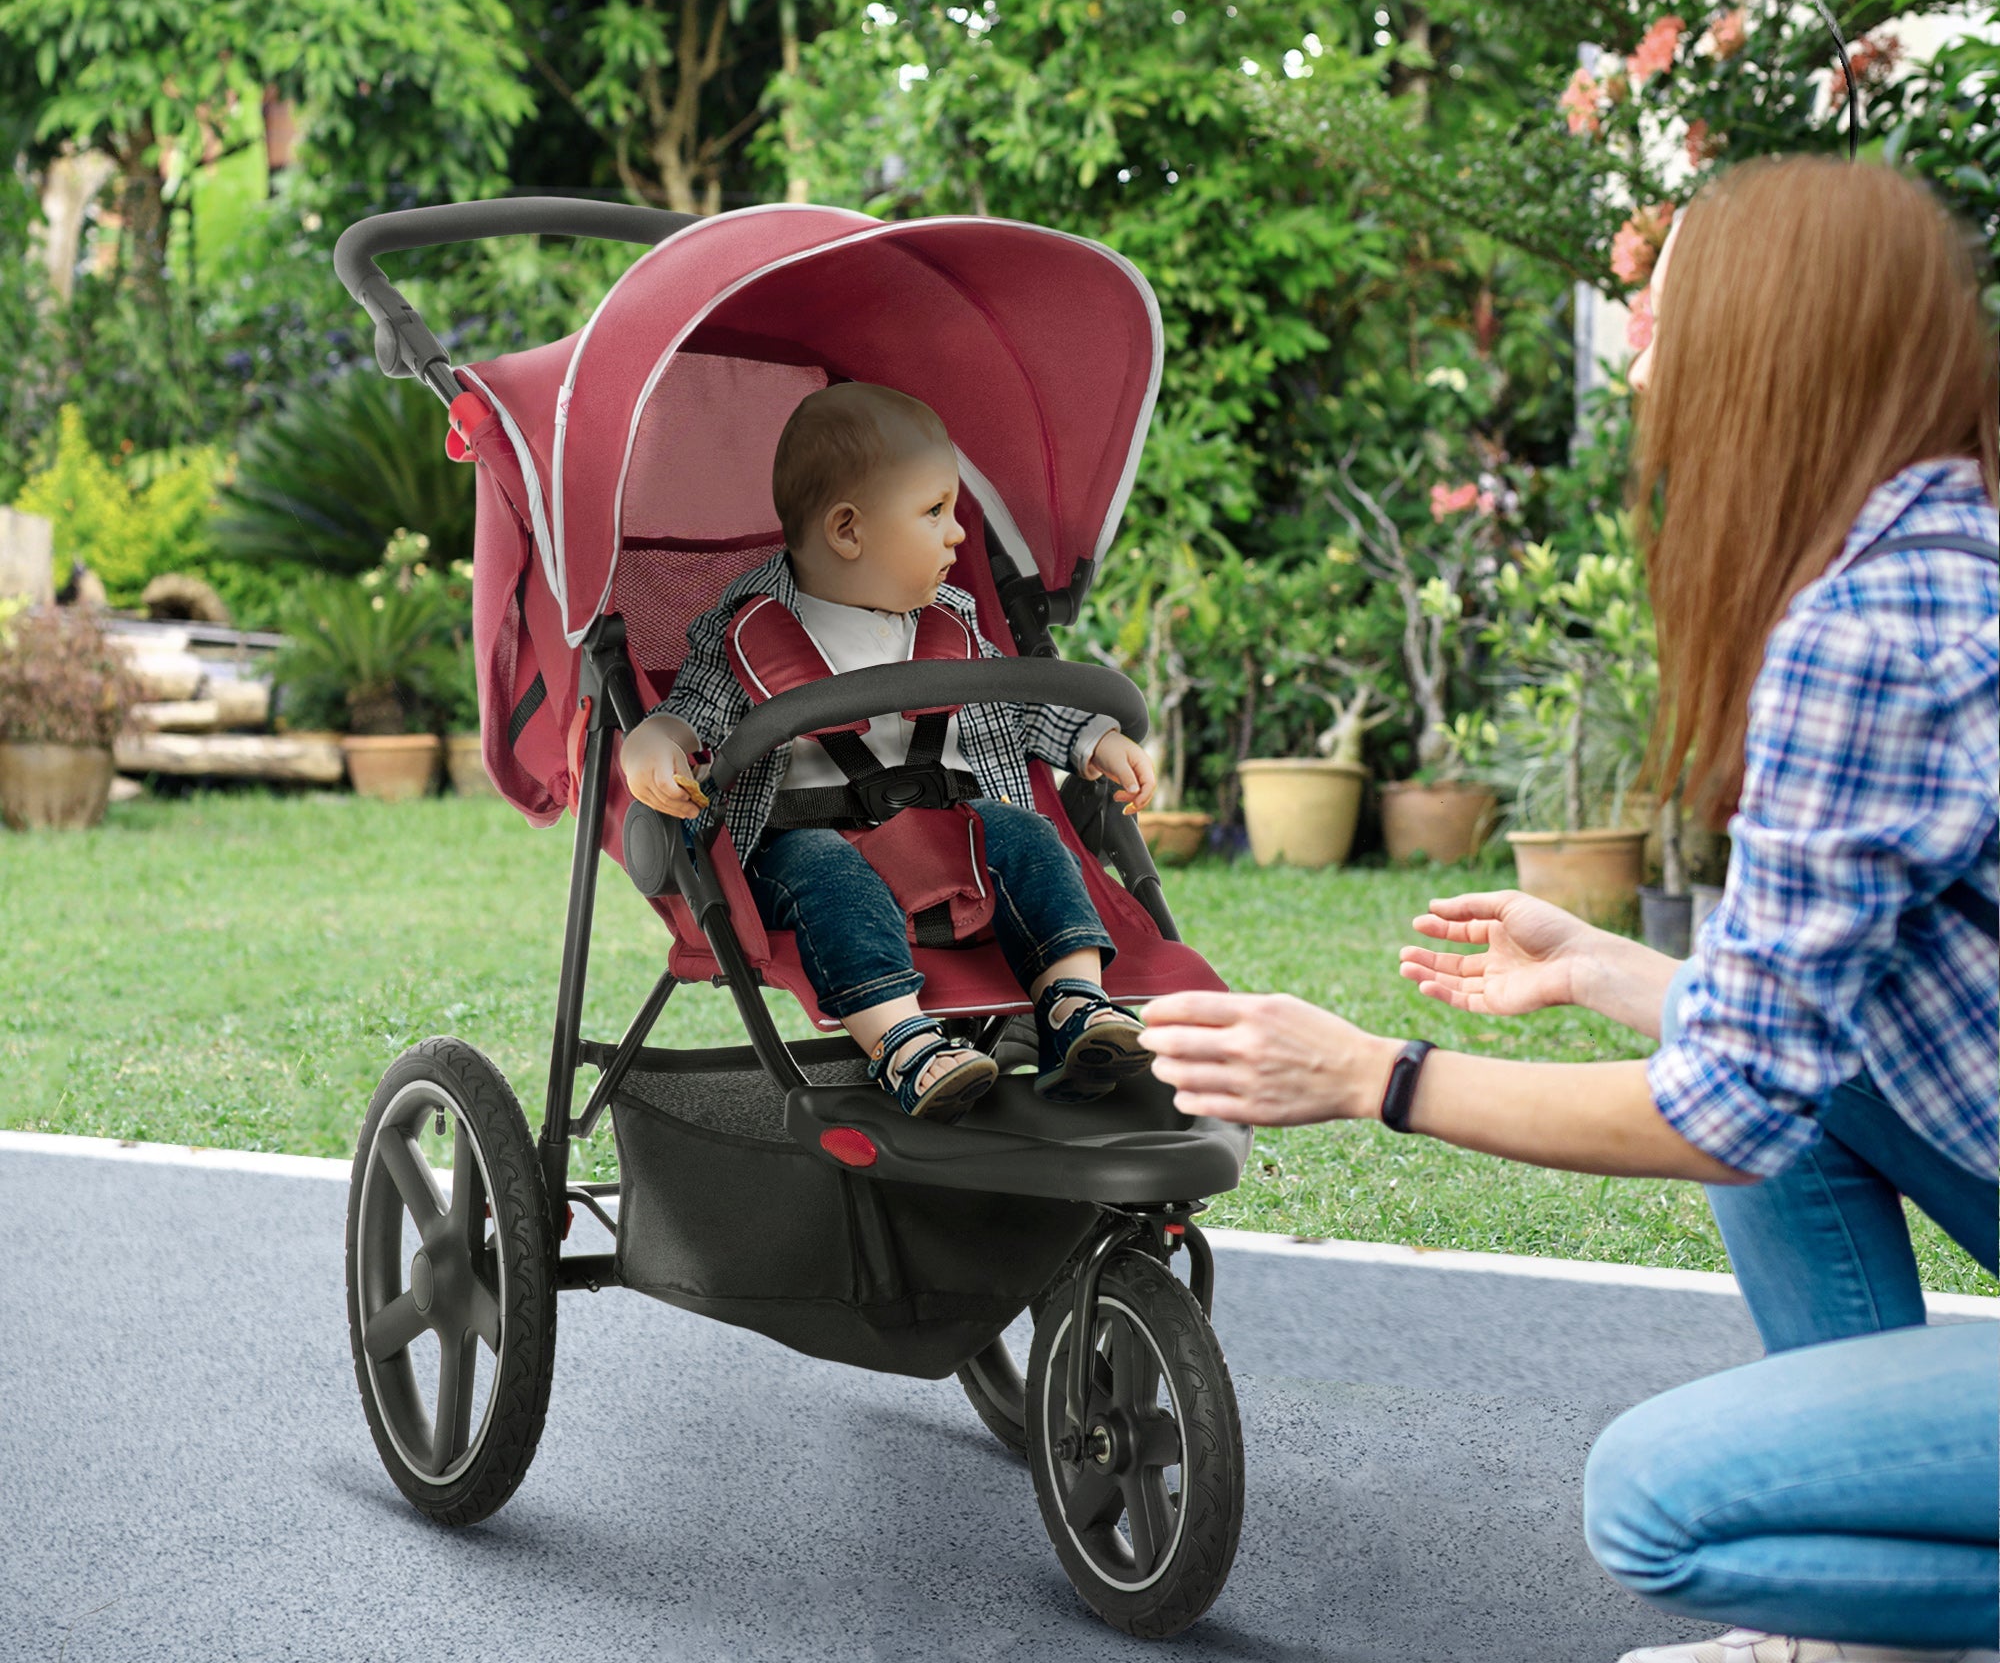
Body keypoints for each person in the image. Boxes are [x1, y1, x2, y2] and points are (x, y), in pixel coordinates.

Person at [1138, 157, 1998, 1662]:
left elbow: (1726, 1110)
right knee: (1780, 1061)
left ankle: (1877, 1612)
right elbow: (1802, 1033)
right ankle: (1863, 1634)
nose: (1649, 372)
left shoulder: (1867, 633)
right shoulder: (1946, 555)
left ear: (1771, 353)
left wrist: (1372, 1080)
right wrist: (1608, 966)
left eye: (1666, 332)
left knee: (1662, 1505)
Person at [621, 381, 1159, 1120]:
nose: (958, 535)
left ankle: (1074, 1004)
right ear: (848, 531)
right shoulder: (751, 629)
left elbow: (1019, 701)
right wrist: (654, 743)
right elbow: (694, 712)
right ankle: (903, 1041)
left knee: (1031, 838)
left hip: (949, 834)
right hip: (809, 841)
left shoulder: (953, 619)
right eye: (935, 512)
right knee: (825, 873)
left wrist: (1092, 739)